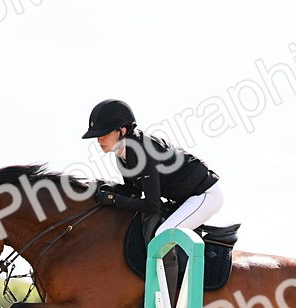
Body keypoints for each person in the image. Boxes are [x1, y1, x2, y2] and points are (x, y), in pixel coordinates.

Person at [82, 99, 223, 238]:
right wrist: (107, 188)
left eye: (104, 134)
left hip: (205, 195)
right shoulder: (123, 154)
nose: (99, 139)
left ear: (122, 131)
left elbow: (152, 205)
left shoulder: (143, 152)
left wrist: (113, 199)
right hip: (185, 199)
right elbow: (133, 193)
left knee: (164, 235)